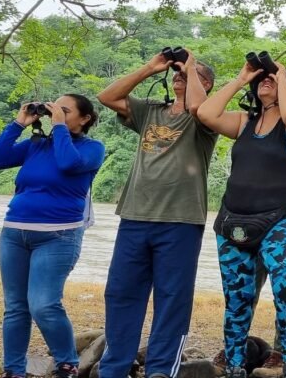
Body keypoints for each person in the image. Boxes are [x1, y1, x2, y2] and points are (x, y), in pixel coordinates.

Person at [97, 50, 218, 378]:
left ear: (206, 84)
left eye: (191, 74)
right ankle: (114, 367)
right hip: (135, 216)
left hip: (181, 220)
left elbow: (199, 107)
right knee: (121, 292)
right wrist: (151, 68)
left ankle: (161, 370)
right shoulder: (150, 111)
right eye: (178, 72)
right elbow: (107, 97)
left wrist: (189, 65)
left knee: (172, 297)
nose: (180, 74)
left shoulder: (206, 117)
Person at [196, 58, 286, 378]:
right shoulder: (244, 122)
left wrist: (282, 75)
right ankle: (235, 364)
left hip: (278, 221)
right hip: (233, 222)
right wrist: (240, 78)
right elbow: (206, 114)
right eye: (262, 78)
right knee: (238, 297)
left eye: (272, 79)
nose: (266, 79)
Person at [0, 95, 105, 378]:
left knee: (44, 305)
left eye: (64, 111)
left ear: (85, 119)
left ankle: (67, 364)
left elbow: (67, 163)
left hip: (58, 236)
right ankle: (14, 370)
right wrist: (18, 124)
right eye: (53, 110)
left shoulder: (93, 148)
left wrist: (59, 127)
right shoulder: (36, 145)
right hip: (14, 233)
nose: (55, 114)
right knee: (15, 307)